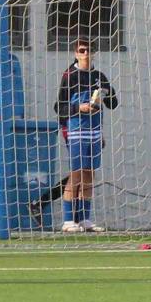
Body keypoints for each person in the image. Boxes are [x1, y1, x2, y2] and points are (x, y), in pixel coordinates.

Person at [53, 38, 119, 232]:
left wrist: (108, 92)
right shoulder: (70, 75)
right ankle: (67, 221)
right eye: (82, 50)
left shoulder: (99, 76)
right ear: (75, 53)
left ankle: (84, 219)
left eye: (89, 50)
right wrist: (78, 107)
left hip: (94, 130)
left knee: (89, 174)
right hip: (76, 130)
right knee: (76, 174)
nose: (86, 54)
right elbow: (59, 107)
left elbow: (113, 104)